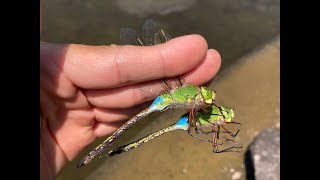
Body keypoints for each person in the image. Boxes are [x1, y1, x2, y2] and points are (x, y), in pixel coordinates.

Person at [40, 6, 221, 180]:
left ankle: (97, 154)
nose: (207, 98)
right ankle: (95, 155)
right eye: (206, 96)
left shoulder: (191, 95)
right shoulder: (193, 97)